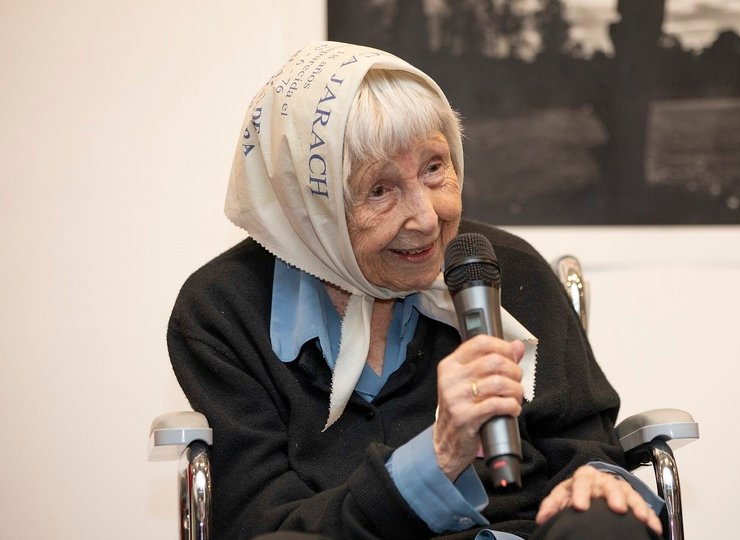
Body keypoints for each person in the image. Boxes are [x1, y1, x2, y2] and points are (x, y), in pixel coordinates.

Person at [168, 41, 662, 540]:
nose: (428, 218)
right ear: (308, 206)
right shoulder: (222, 310)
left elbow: (582, 441)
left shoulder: (504, 269)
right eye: (379, 190)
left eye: (433, 168)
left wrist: (595, 484)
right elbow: (259, 521)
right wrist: (435, 458)